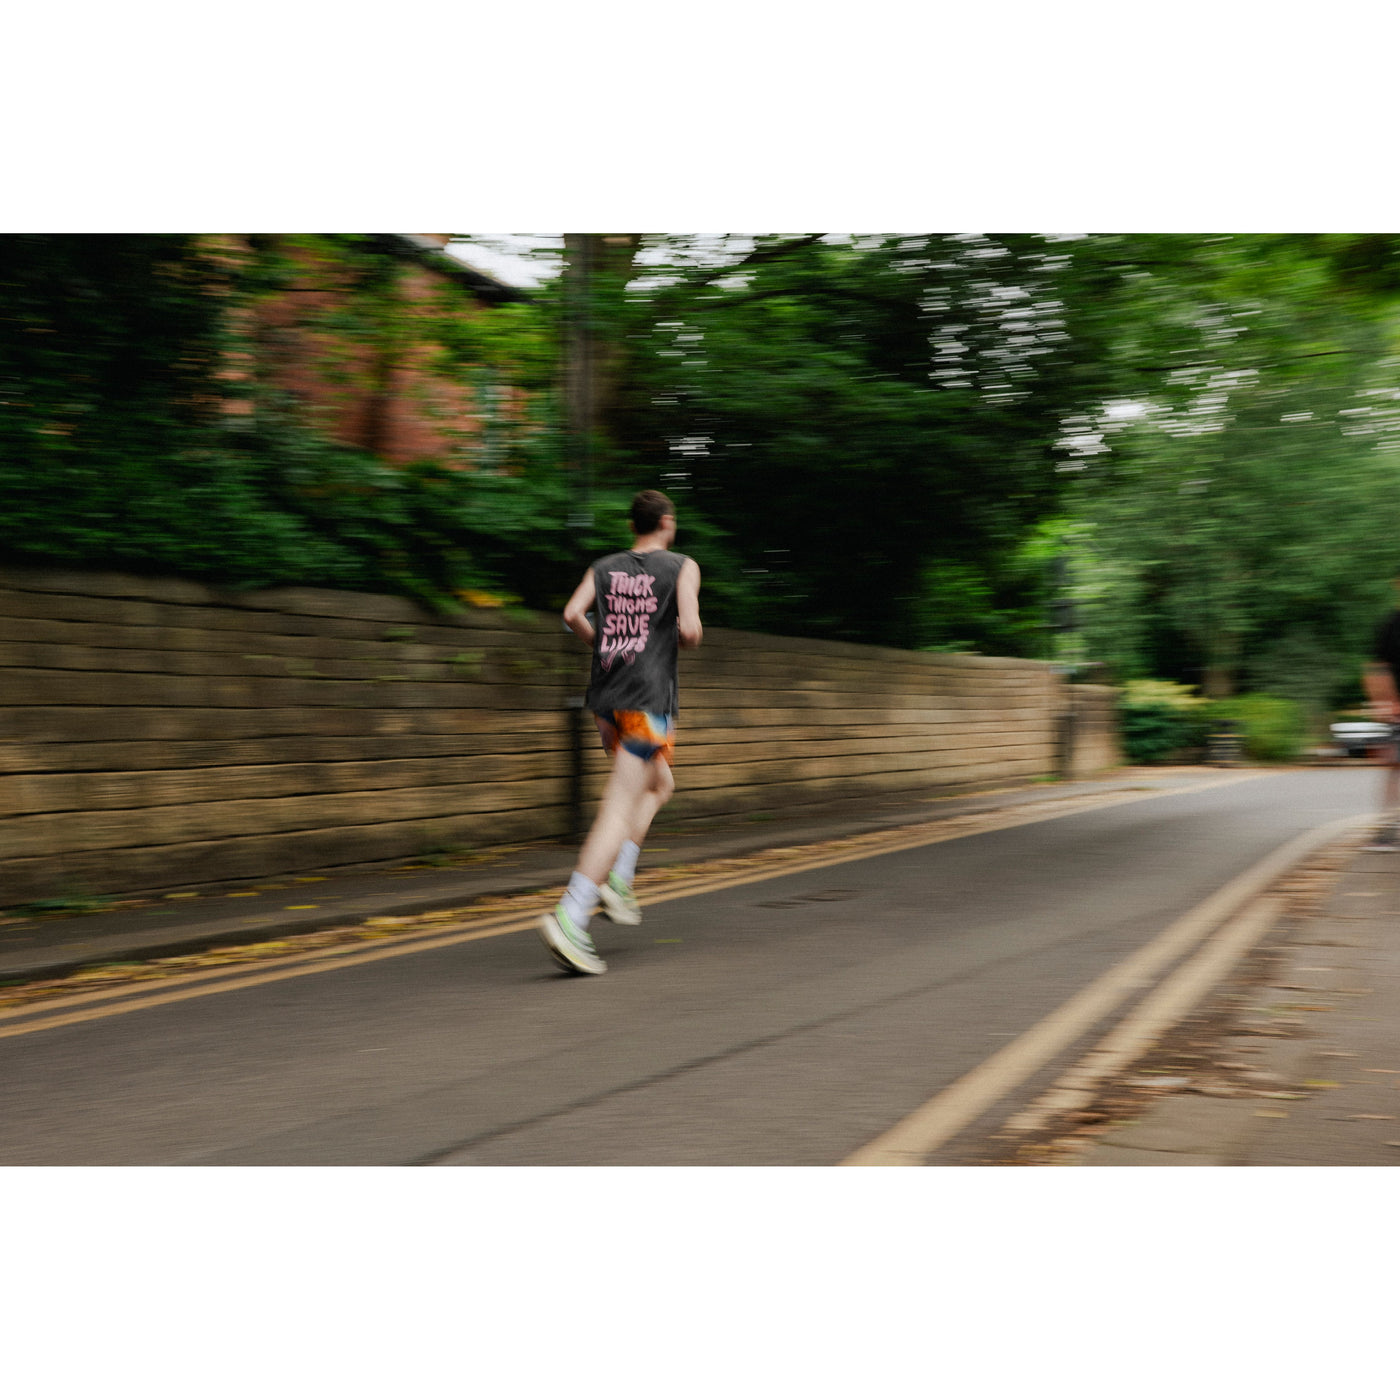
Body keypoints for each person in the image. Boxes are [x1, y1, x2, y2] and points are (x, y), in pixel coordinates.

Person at [537, 489, 703, 974]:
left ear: (634, 526)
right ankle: (572, 915)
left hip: (606, 698)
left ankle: (621, 880)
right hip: (646, 699)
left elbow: (572, 615)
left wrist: (605, 644)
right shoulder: (682, 566)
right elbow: (690, 632)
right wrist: (675, 631)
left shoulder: (603, 567)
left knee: (660, 785)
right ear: (666, 523)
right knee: (619, 806)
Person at [1363, 577, 1400, 851]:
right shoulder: (1391, 625)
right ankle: (1389, 827)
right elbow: (1375, 667)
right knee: (1395, 765)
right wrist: (1383, 703)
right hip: (1399, 709)